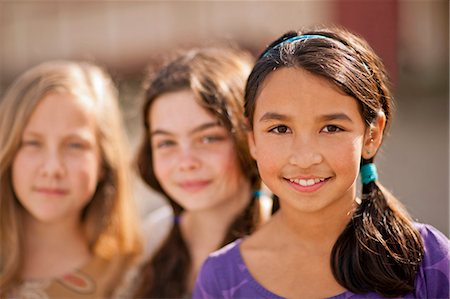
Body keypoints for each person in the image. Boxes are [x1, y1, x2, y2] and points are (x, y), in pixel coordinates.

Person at [193, 26, 450, 298]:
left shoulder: (424, 261)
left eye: (331, 128)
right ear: (252, 139)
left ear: (371, 135)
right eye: (280, 129)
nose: (305, 158)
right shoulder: (221, 280)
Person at [133, 47, 274, 298]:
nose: (186, 162)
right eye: (166, 143)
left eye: (208, 138)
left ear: (248, 139)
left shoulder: (286, 237)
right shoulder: (150, 238)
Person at [0, 60, 142, 298]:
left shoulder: (133, 278)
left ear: (104, 163)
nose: (53, 168)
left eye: (75, 145)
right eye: (32, 143)